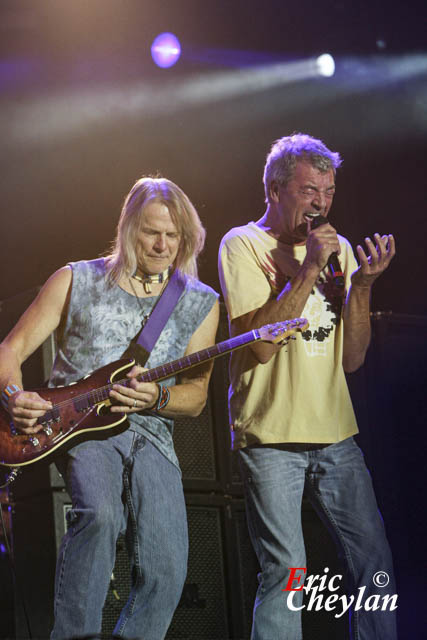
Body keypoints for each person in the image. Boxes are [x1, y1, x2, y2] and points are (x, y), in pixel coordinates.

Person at [0, 176, 219, 640]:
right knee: (99, 515)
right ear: (128, 229)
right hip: (81, 429)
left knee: (167, 568)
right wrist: (13, 395)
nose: (162, 245)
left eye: (173, 235)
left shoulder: (200, 302)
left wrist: (157, 397)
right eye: (151, 232)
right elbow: (10, 349)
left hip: (153, 435)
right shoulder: (76, 278)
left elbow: (197, 395)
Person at [218, 133, 397, 640]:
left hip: (337, 436)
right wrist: (310, 268)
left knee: (374, 561)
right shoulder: (243, 244)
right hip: (272, 438)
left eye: (329, 191)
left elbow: (354, 359)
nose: (321, 202)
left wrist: (360, 285)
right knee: (288, 574)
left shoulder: (338, 249)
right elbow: (260, 346)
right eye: (309, 190)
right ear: (275, 189)